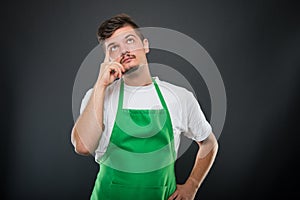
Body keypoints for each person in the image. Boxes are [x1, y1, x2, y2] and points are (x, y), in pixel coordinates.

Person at [71, 13, 218, 200]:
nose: (124, 50)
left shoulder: (179, 97)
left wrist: (192, 185)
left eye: (130, 40)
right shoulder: (98, 96)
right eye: (114, 47)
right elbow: (82, 147)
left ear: (145, 45)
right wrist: (100, 85)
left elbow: (209, 143)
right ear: (107, 58)